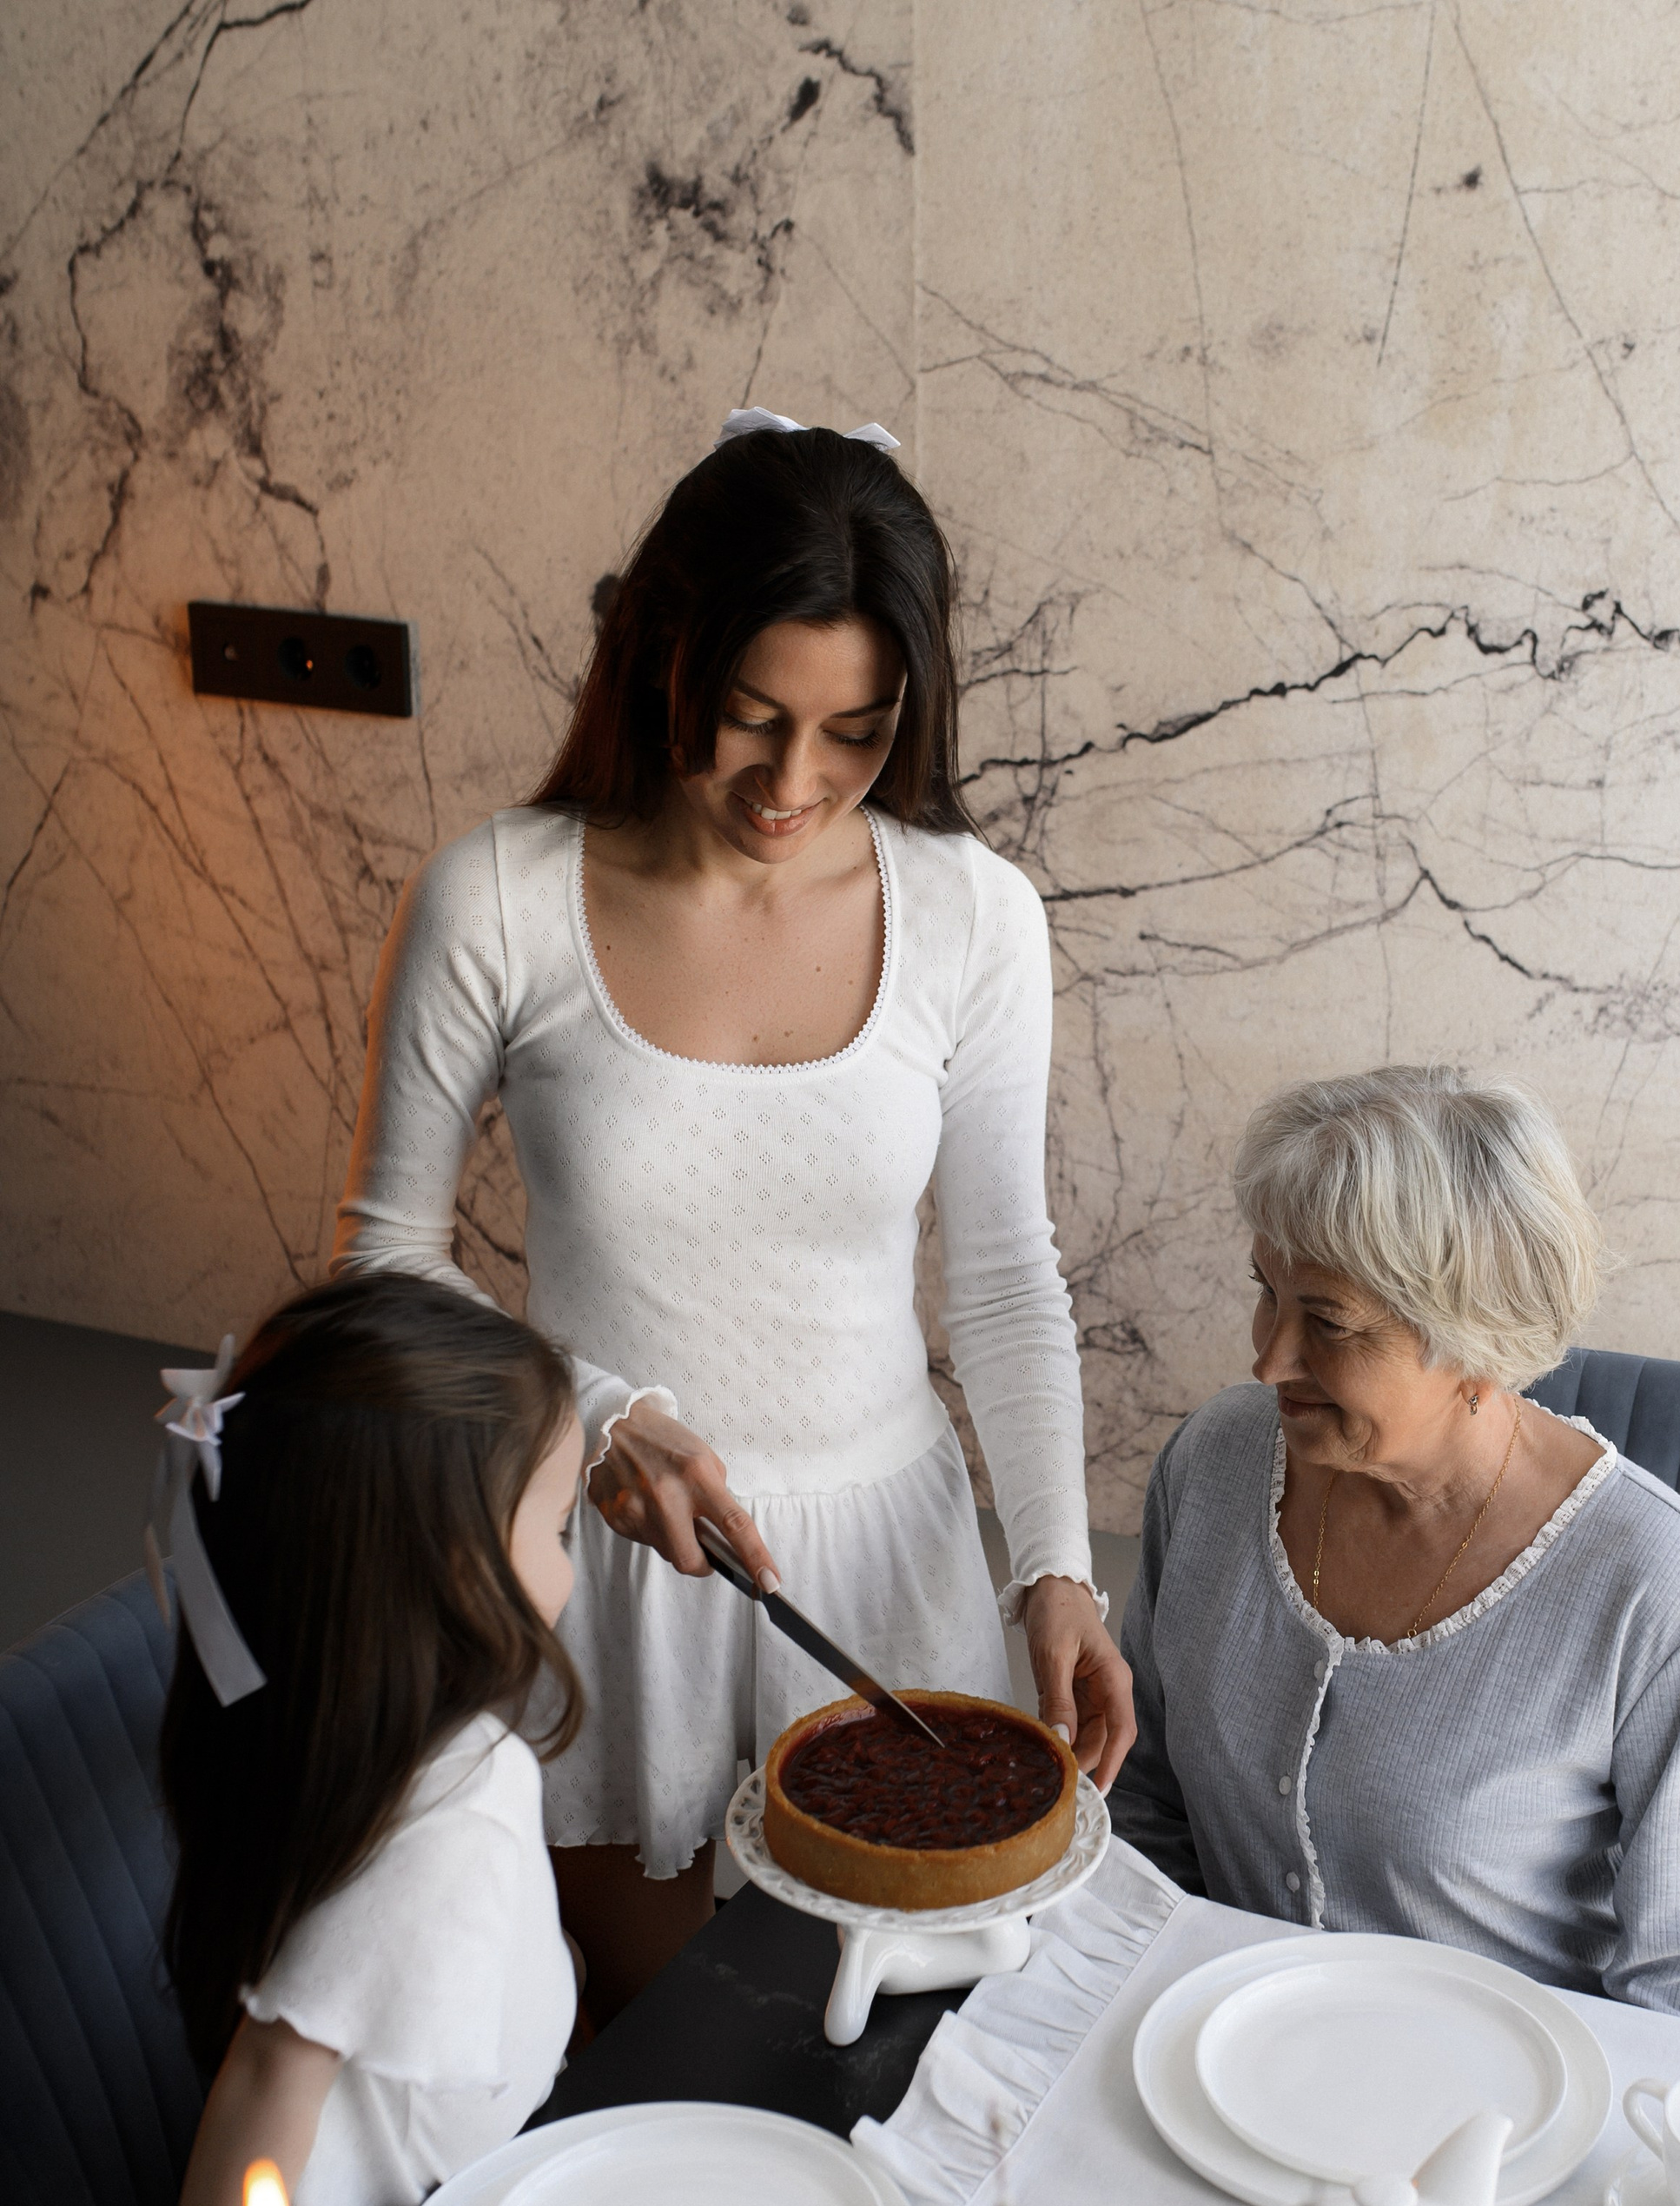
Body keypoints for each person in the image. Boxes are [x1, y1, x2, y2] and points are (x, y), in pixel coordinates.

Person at [335, 411, 1132, 2015]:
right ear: (662, 657)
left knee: (909, 2083)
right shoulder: (499, 895)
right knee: (672, 2071)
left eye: (855, 732)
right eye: (754, 718)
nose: (793, 782)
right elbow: (378, 1264)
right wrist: (597, 1416)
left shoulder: (973, 914)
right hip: (611, 1583)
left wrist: (1056, 1568)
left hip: (895, 1583)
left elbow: (1003, 1278)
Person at [78, 1272, 586, 2206]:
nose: (575, 1568)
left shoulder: (342, 1731)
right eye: (562, 1526)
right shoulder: (445, 1816)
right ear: (461, 1569)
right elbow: (264, 2081)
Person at [1109, 1066, 1680, 2025]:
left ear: (1474, 1338)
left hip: (1499, 2130)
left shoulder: (1659, 1596)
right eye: (1267, 1293)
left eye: (1328, 1322)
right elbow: (1145, 1800)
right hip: (1214, 2056)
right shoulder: (1212, 1464)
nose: (1267, 1359)